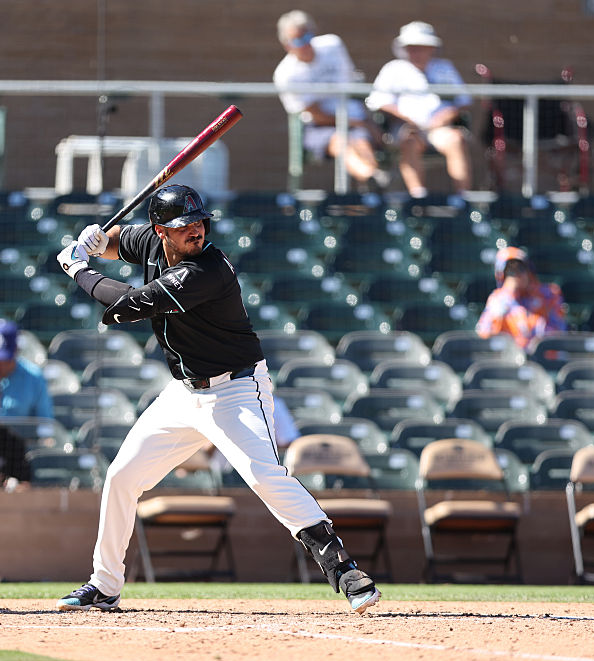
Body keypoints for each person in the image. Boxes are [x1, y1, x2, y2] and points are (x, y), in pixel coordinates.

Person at [52, 184, 380, 614]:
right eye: (183, 226)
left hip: (235, 390)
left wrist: (78, 268)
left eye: (199, 223)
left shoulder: (207, 269)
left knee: (264, 475)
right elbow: (118, 242)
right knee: (121, 476)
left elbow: (130, 305)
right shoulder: (150, 240)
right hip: (184, 392)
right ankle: (105, 584)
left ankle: (345, 570)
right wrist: (97, 242)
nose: (196, 231)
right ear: (161, 231)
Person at [273, 10, 389, 191]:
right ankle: (371, 177)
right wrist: (359, 123)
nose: (305, 44)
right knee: (341, 141)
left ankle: (372, 185)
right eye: (298, 41)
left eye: (308, 37)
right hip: (320, 126)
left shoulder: (332, 46)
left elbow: (350, 85)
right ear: (287, 45)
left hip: (353, 118)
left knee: (361, 142)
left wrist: (365, 121)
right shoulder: (286, 74)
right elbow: (317, 115)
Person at [366, 21, 472, 198]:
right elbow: (378, 102)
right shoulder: (393, 69)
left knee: (456, 139)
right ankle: (418, 197)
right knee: (409, 141)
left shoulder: (445, 68)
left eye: (421, 47)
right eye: (411, 48)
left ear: (432, 48)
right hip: (406, 128)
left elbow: (464, 100)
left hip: (439, 129)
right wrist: (407, 118)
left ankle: (464, 198)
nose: (416, 52)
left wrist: (445, 116)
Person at [476, 246, 567, 349]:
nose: (517, 275)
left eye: (520, 268)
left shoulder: (549, 294)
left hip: (543, 354)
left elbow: (558, 332)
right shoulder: (498, 299)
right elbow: (484, 332)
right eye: (510, 271)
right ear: (502, 276)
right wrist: (507, 296)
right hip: (511, 356)